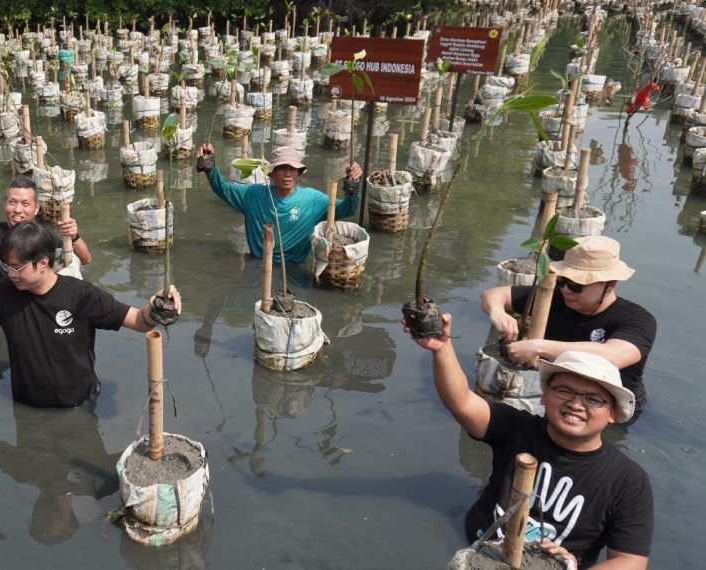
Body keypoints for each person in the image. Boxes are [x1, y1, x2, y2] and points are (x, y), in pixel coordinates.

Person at [410, 315, 652, 569]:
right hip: (476, 548)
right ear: (545, 396)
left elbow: (630, 561)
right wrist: (442, 348)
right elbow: (461, 402)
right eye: (564, 391)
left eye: (593, 399)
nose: (575, 404)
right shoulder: (517, 428)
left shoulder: (628, 480)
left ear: (612, 413)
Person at [0, 221, 181, 409]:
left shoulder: (81, 295)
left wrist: (156, 306)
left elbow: (138, 321)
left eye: (17, 268)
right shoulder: (4, 292)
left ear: (42, 263)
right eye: (5, 266)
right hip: (26, 407)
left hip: (80, 405)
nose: (10, 274)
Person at [481, 236, 656, 418]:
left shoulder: (638, 319)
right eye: (562, 281)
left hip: (612, 409)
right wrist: (497, 312)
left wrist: (537, 346)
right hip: (561, 397)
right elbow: (493, 295)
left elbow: (613, 355)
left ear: (610, 285)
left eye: (576, 285)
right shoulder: (553, 298)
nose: (566, 290)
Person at [195, 144, 361, 263]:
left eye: (292, 169)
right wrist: (210, 168)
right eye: (282, 168)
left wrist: (352, 186)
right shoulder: (253, 194)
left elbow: (348, 209)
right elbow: (223, 188)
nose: (287, 174)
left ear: (299, 173)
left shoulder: (312, 200)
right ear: (272, 173)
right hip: (258, 264)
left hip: (294, 267)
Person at [0, 175, 91, 303]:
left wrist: (73, 236)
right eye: (12, 202)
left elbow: (84, 259)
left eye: (25, 204)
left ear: (36, 208)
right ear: (5, 204)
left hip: (26, 314)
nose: (18, 209)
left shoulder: (44, 238)